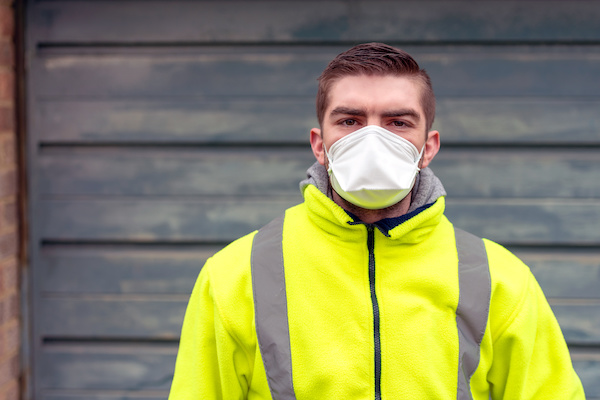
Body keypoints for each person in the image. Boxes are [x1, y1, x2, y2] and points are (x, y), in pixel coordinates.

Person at [168, 42, 585, 399]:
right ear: (320, 144)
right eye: (349, 121)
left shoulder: (499, 279)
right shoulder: (235, 275)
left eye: (398, 123)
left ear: (428, 147)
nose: (372, 139)